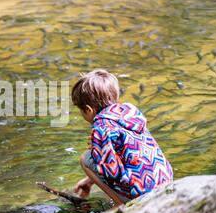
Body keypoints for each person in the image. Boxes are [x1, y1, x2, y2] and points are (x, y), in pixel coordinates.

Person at [72, 69, 173, 205]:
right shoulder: (129, 113)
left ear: (88, 110)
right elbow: (127, 152)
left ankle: (122, 206)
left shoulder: (101, 128)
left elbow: (111, 172)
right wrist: (90, 180)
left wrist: (97, 150)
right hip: (164, 179)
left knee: (85, 159)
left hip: (141, 191)